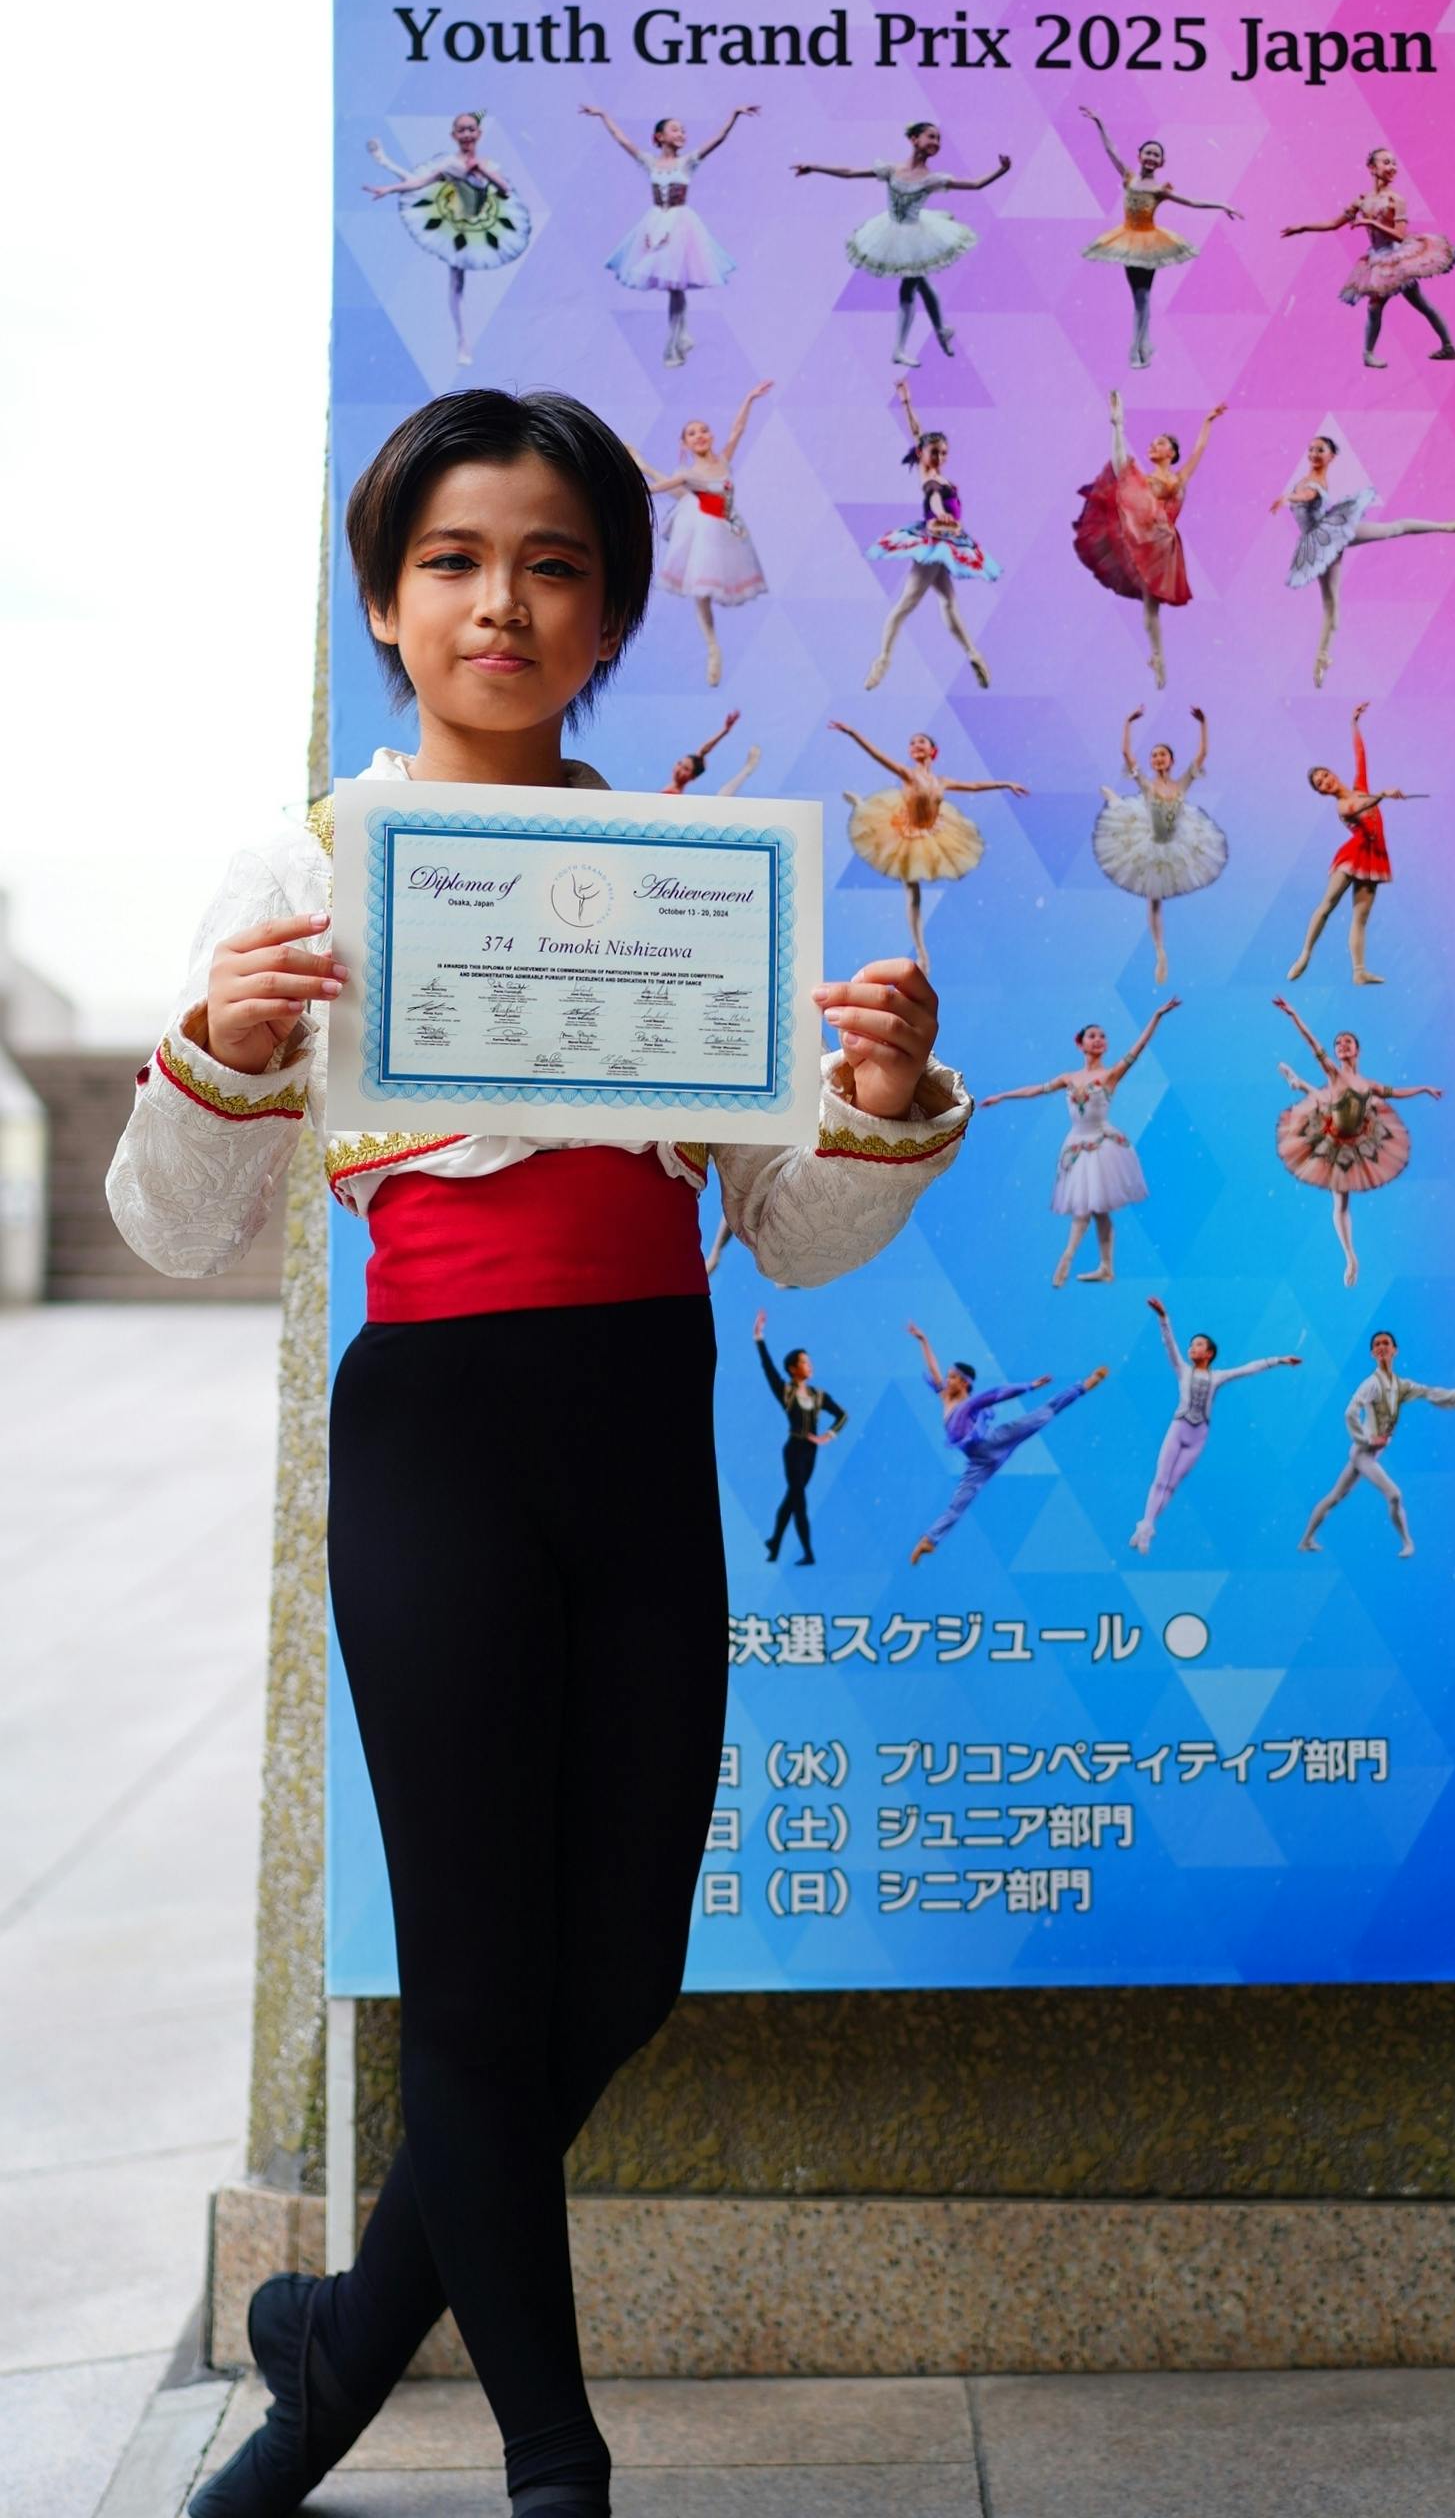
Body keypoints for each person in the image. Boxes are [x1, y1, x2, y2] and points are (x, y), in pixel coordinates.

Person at [107, 388, 971, 2518]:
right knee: (481, 1984)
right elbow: (178, 1228)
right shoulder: (302, 866)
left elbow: (790, 1232)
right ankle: (552, 2466)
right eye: (455, 561)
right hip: (440, 1444)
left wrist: (881, 1100)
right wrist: (220, 1047)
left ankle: (331, 2349)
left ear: (611, 617)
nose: (502, 602)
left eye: (554, 565)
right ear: (386, 604)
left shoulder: (696, 878)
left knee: (622, 1975)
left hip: (643, 1437)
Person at [978, 1003, 1180, 1285]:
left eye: (1102, 1036)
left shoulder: (1111, 1075)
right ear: (1080, 1044)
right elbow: (1036, 1089)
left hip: (1102, 1145)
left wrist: (1156, 1016)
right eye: (1092, 1036)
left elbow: (1139, 1047)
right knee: (1092, 1208)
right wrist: (1002, 1096)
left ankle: (1075, 1259)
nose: (1098, 1039)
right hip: (1077, 1144)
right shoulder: (1069, 1078)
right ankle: (1096, 1264)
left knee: (1093, 1208)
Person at [792, 119, 1011, 367]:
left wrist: (1001, 170)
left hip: (916, 236)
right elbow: (850, 172)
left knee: (909, 287)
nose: (936, 142)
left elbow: (975, 184)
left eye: (939, 139)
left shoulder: (931, 179)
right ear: (914, 139)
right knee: (921, 281)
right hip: (891, 232)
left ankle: (900, 349)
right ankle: (941, 330)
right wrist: (814, 167)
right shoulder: (891, 170)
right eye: (931, 136)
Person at [1272, 429, 1455, 689]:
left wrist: (1289, 497)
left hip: (1330, 534)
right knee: (1331, 606)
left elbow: (1308, 497)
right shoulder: (1310, 478)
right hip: (1321, 542)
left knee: (1393, 529)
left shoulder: (1314, 482)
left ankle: (1449, 526)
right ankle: (1320, 660)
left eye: (1319, 450)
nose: (1313, 453)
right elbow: (1307, 497)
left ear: (1331, 456)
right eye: (1311, 449)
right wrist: (1291, 496)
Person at [1271, 995, 1442, 1288]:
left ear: (1357, 1049)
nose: (1342, 1045)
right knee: (1340, 1200)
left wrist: (1424, 1088)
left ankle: (1299, 1084)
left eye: (1347, 1041)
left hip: (1357, 1137)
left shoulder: (1369, 1084)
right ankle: (1350, 1256)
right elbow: (1312, 1043)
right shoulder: (1333, 1072)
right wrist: (1293, 1014)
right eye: (1338, 1043)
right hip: (1332, 1137)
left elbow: (1396, 1092)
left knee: (1326, 1104)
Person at [831, 719, 1027, 973]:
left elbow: (975, 786)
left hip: (932, 831)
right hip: (904, 832)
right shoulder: (908, 774)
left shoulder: (942, 781)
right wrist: (852, 732)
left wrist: (1006, 783)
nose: (915, 745)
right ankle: (922, 953)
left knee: (916, 887)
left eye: (921, 741)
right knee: (912, 890)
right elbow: (876, 754)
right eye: (912, 743)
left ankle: (862, 805)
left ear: (932, 750)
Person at [905, 1323, 1108, 1564]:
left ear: (964, 1383)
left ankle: (1083, 1386)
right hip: (978, 1462)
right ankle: (930, 1540)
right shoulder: (945, 1397)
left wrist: (1029, 1386)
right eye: (947, 1377)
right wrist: (923, 1340)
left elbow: (997, 1394)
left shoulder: (969, 1403)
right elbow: (933, 1368)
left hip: (993, 1443)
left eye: (952, 1378)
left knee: (1040, 1416)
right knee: (958, 1502)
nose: (947, 1381)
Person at [1071, 386, 1226, 686]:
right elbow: (1120, 466)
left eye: (1160, 443)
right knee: (1149, 602)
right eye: (1153, 443)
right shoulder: (1145, 479)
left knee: (1151, 603)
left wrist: (1208, 421)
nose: (1153, 445)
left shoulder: (1178, 477)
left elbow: (1199, 450)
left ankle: (1157, 658)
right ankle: (1157, 657)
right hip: (1146, 536)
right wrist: (1118, 425)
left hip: (1164, 544)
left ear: (1171, 453)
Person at [581, 100, 755, 367]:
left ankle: (676, 343)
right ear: (660, 137)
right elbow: (621, 140)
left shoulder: (687, 163)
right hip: (655, 224)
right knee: (674, 289)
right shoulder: (650, 163)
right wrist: (603, 115)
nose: (681, 133)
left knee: (676, 287)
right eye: (675, 129)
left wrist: (734, 116)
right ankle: (679, 340)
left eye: (683, 130)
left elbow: (718, 139)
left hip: (680, 225)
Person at [1132, 1297, 1301, 1553]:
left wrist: (1279, 1360)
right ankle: (1146, 1526)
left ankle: (1148, 1524)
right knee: (1160, 1479)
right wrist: (1163, 1318)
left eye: (1198, 1344)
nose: (1192, 1347)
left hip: (1198, 1436)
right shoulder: (1182, 1370)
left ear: (1209, 1353)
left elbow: (1248, 1369)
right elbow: (1169, 1345)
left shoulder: (1218, 1376)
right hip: (1178, 1429)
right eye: (1191, 1345)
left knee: (1172, 1485)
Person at [633, 381, 774, 688]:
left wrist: (749, 398)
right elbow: (659, 488)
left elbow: (738, 430)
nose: (699, 435)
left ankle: (643, 463)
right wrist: (631, 486)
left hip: (727, 525)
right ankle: (713, 647)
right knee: (701, 590)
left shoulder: (723, 460)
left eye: (703, 430)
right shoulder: (687, 472)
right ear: (685, 444)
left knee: (687, 502)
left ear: (711, 436)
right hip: (705, 528)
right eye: (691, 433)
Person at [1078, 107, 1242, 367]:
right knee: (1138, 296)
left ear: (1161, 162)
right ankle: (1143, 345)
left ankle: (1136, 350)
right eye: (1148, 153)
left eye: (1156, 155)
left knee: (1142, 297)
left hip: (1149, 244)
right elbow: (1111, 150)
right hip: (1127, 240)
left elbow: (1190, 202)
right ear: (1140, 156)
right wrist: (1099, 121)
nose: (1152, 157)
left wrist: (1222, 204)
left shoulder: (1159, 189)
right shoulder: (1129, 177)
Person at [864, 379, 1002, 689]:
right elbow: (934, 497)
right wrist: (940, 514)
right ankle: (882, 660)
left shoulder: (939, 473)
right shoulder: (929, 478)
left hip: (945, 544)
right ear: (923, 454)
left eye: (943, 453)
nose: (939, 457)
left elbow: (918, 433)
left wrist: (907, 403)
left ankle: (974, 656)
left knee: (948, 603)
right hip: (933, 544)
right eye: (934, 453)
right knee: (906, 604)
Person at [364, 113, 529, 367]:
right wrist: (389, 189)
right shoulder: (450, 164)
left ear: (479, 134)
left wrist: (480, 169)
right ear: (454, 135)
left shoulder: (487, 164)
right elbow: (421, 182)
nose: (467, 134)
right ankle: (462, 341)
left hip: (483, 219)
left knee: (458, 281)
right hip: (455, 220)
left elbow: (505, 189)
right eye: (461, 130)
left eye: (471, 129)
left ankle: (385, 161)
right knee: (457, 283)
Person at [1299, 1332, 1455, 1558]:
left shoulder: (1400, 1386)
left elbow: (1429, 1392)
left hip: (1368, 1453)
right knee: (1394, 1495)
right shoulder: (1371, 1384)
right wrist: (1368, 1440)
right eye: (1377, 1344)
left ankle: (1306, 1540)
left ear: (1394, 1350)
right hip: (1363, 1453)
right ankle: (1407, 1543)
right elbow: (1350, 1413)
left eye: (1386, 1343)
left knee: (1335, 1497)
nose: (1381, 1347)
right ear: (1372, 1353)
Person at [1281, 145, 1455, 368]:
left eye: (1394, 163)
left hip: (1396, 257)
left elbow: (1400, 235)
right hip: (1378, 258)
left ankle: (1372, 353)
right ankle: (1445, 346)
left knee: (1395, 305)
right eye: (1386, 162)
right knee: (1405, 305)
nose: (1392, 167)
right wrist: (1302, 227)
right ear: (1371, 168)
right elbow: (1334, 223)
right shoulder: (1362, 200)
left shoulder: (1396, 200)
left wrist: (1370, 222)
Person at [1091, 708, 1228, 986]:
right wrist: (1128, 722)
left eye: (1162, 754)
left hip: (1176, 842)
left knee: (1158, 890)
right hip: (1151, 842)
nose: (1157, 758)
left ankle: (1115, 801)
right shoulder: (1146, 784)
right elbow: (1126, 754)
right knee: (1154, 897)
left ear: (1171, 760)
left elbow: (1203, 754)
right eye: (1153, 755)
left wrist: (1203, 723)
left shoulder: (1181, 784)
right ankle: (1160, 952)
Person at [1287, 704, 1415, 984]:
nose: (1325, 782)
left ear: (1332, 773)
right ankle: (1305, 954)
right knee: (1328, 904)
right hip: (1353, 855)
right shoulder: (1343, 806)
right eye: (1320, 784)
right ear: (1322, 793)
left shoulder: (1360, 786)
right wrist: (1383, 794)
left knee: (1361, 917)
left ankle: (1359, 972)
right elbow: (1361, 805)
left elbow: (1360, 755)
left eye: (1324, 775)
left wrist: (1354, 724)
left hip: (1374, 857)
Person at [754, 1307, 846, 1563]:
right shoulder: (786, 1392)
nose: (809, 1365)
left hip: (810, 1452)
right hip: (794, 1449)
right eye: (804, 1362)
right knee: (799, 1499)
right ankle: (808, 1552)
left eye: (809, 1361)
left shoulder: (818, 1396)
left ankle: (775, 1543)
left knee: (791, 1498)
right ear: (793, 1369)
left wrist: (827, 1436)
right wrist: (759, 1337)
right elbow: (768, 1369)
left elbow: (842, 1416)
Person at [662, 709, 759, 796]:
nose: (679, 769)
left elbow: (701, 753)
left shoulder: (675, 796)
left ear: (693, 777)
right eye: (680, 763)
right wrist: (724, 730)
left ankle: (748, 768)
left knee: (722, 796)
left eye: (686, 769)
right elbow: (702, 751)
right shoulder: (669, 791)